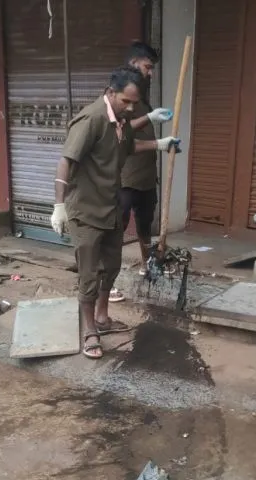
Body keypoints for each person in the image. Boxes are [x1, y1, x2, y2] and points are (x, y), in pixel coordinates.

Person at [49, 66, 179, 360]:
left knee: (112, 265)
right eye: (126, 101)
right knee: (89, 273)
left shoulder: (120, 121)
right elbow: (65, 162)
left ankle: (103, 318)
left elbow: (129, 147)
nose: (131, 108)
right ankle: (89, 330)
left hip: (110, 206)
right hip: (85, 211)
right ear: (110, 93)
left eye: (135, 103)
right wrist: (59, 206)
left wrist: (160, 144)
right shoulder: (92, 119)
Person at [109, 41, 174, 303]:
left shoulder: (142, 94)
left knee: (146, 226)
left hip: (146, 177)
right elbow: (120, 135)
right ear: (134, 62)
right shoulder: (121, 94)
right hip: (125, 178)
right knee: (116, 229)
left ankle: (149, 266)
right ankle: (107, 280)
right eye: (148, 66)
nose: (150, 72)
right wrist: (156, 138)